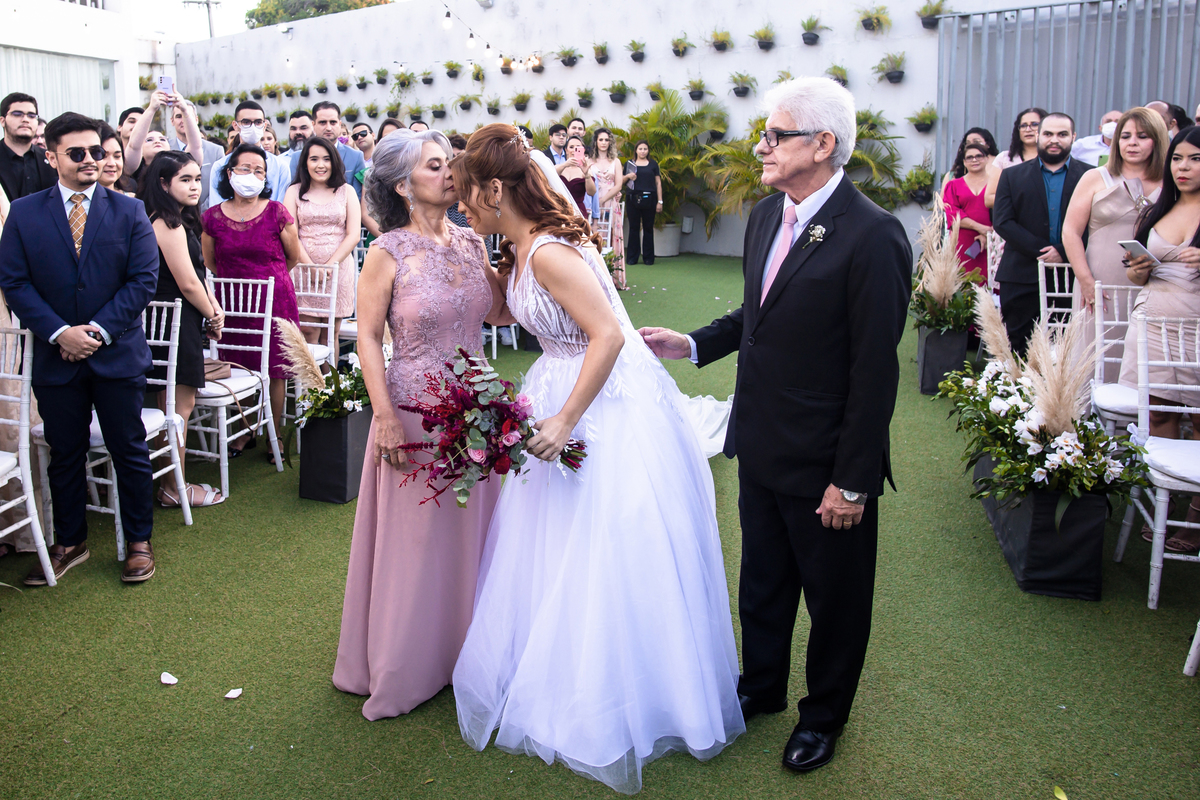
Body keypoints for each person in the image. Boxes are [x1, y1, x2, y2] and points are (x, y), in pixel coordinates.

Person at [451, 122, 743, 794]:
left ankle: (628, 694)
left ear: (496, 188)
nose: (466, 205)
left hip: (596, 403)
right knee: (555, 544)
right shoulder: (519, 248)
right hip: (555, 386)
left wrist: (564, 418)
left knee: (607, 545)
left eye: (470, 195)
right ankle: (557, 671)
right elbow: (510, 315)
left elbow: (607, 334)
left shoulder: (550, 252)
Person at [639, 77, 912, 775]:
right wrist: (694, 343)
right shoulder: (767, 214)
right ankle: (759, 690)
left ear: (823, 145)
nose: (760, 145)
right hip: (757, 438)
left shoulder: (874, 235)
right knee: (761, 582)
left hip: (825, 462)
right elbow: (756, 316)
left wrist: (851, 482)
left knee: (834, 602)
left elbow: (874, 371)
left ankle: (823, 718)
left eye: (776, 133)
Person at [332, 129, 509, 720]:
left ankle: (469, 653)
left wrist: (520, 255)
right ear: (404, 186)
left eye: (450, 163)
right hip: (412, 414)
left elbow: (501, 313)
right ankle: (407, 663)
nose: (450, 173)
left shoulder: (468, 242)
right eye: (436, 166)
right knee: (415, 547)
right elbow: (368, 335)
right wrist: (383, 416)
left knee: (472, 539)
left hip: (478, 411)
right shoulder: (386, 252)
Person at [0, 112, 160, 585]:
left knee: (128, 448)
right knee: (64, 452)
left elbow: (142, 281)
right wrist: (58, 333)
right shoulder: (25, 212)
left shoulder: (128, 210)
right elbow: (14, 281)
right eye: (78, 153)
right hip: (55, 357)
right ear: (51, 157)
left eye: (99, 151)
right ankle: (70, 541)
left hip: (116, 354)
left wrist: (92, 331)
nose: (92, 160)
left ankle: (138, 541)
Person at [1118, 125, 1200, 551]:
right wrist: (1139, 269)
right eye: (1178, 158)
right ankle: (1165, 509)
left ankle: (1194, 520)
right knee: (1160, 415)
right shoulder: (1158, 208)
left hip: (1197, 326)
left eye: (1195, 159)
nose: (1183, 167)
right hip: (1152, 323)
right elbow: (1132, 274)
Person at [201, 143, 303, 459]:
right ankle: (247, 431)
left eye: (259, 170)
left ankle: (274, 436)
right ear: (229, 173)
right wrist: (240, 286)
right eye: (245, 168)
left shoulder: (276, 212)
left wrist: (266, 282)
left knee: (274, 371)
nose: (252, 175)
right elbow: (211, 262)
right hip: (232, 306)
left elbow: (293, 257)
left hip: (276, 303)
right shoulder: (211, 218)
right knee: (239, 366)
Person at [137, 150, 226, 508]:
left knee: (175, 407)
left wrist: (211, 307)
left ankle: (173, 482)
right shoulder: (166, 223)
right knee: (177, 408)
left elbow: (199, 276)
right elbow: (186, 282)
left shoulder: (178, 219)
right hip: (173, 322)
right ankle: (176, 487)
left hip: (181, 319)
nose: (194, 186)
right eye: (184, 179)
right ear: (163, 183)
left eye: (196, 178)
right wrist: (213, 316)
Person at [1062, 107, 1168, 379]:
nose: (1132, 142)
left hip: (1155, 282)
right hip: (1098, 279)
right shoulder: (1095, 177)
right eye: (1126, 136)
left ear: (1157, 139)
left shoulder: (1172, 183)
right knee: (1094, 349)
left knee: (1144, 354)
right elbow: (1071, 231)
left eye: (1142, 136)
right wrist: (1085, 279)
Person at [992, 112, 1089, 354]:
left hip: (1074, 274)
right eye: (1048, 134)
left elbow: (1097, 223)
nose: (1054, 140)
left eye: (1062, 134)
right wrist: (1046, 252)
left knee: (1068, 350)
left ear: (1073, 137)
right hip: (1021, 275)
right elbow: (1003, 221)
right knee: (1020, 349)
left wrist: (1064, 251)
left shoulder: (1090, 176)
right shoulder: (1012, 175)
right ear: (1038, 136)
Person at [284, 136, 361, 344]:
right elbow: (291, 233)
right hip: (303, 268)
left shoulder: (347, 191)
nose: (320, 165)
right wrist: (311, 267)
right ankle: (309, 377)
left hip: (338, 268)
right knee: (308, 330)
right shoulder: (294, 192)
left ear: (334, 162)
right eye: (314, 159)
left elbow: (353, 234)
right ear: (305, 163)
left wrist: (329, 266)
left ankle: (330, 378)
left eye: (326, 159)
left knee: (331, 333)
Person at [205, 102, 292, 210]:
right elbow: (216, 208)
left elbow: (281, 209)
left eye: (258, 122)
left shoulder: (280, 166)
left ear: (264, 126)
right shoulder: (220, 165)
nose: (253, 127)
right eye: (246, 122)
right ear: (235, 125)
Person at [125, 90, 201, 187]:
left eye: (162, 139)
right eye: (149, 140)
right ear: (141, 151)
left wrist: (185, 111)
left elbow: (196, 146)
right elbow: (133, 145)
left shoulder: (181, 167)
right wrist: (151, 108)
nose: (157, 141)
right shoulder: (133, 169)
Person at [289, 102, 365, 197]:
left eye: (333, 122)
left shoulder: (356, 157)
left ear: (339, 124)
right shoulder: (297, 157)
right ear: (313, 125)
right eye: (322, 122)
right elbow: (295, 194)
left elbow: (359, 198)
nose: (328, 128)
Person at [942, 142, 993, 282]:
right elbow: (952, 213)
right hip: (963, 241)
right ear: (964, 162)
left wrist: (989, 234)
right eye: (969, 157)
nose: (974, 160)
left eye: (979, 156)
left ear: (987, 158)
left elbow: (1005, 211)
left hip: (993, 241)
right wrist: (981, 229)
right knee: (964, 281)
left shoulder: (997, 184)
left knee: (991, 282)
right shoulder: (953, 185)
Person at [589, 127, 633, 289]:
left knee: (611, 237)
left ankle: (613, 278)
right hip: (591, 204)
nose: (603, 143)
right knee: (595, 236)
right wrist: (595, 202)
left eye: (606, 140)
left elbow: (619, 185)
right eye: (600, 139)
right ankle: (594, 278)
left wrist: (602, 200)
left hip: (609, 204)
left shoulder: (616, 162)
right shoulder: (589, 160)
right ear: (596, 142)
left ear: (610, 142)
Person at [0, 92, 58, 201]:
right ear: (2, 121)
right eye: (17, 114)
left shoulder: (51, 159)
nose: (25, 119)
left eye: (31, 115)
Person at [986, 107, 1047, 208]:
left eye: (1034, 124)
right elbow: (988, 199)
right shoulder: (1004, 158)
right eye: (1023, 125)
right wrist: (1022, 199)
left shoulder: (1054, 159)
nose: (1028, 129)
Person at [168, 98, 224, 208]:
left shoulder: (216, 151)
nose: (183, 119)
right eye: (179, 116)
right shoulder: (165, 148)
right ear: (172, 121)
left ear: (196, 119)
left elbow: (219, 186)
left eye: (187, 114)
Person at [625, 140, 662, 265]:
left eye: (645, 149)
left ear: (648, 150)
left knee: (648, 228)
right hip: (632, 199)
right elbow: (621, 180)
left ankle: (648, 258)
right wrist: (629, 176)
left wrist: (660, 201)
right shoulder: (629, 164)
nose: (642, 151)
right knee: (634, 228)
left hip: (649, 199)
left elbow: (658, 183)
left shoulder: (653, 164)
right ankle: (632, 258)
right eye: (640, 149)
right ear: (636, 150)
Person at [560, 135, 594, 219]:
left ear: (583, 150)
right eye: (571, 147)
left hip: (578, 211)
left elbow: (591, 192)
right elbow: (549, 175)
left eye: (578, 147)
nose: (574, 150)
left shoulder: (586, 169)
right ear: (566, 150)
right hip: (560, 211)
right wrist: (565, 164)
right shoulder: (560, 167)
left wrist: (586, 174)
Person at [97, 122, 135, 196]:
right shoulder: (77, 203)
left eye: (117, 156)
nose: (112, 163)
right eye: (104, 156)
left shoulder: (132, 202)